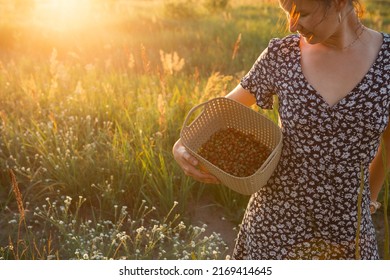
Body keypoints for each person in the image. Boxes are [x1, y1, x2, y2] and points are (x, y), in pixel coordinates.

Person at [173, 0, 390, 259]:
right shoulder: (282, 54)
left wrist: (370, 200)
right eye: (287, 13)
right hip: (272, 229)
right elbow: (220, 111)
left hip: (347, 234)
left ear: (340, 2)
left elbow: (388, 146)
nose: (292, 24)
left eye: (303, 13)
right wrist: (181, 146)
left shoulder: (387, 61)